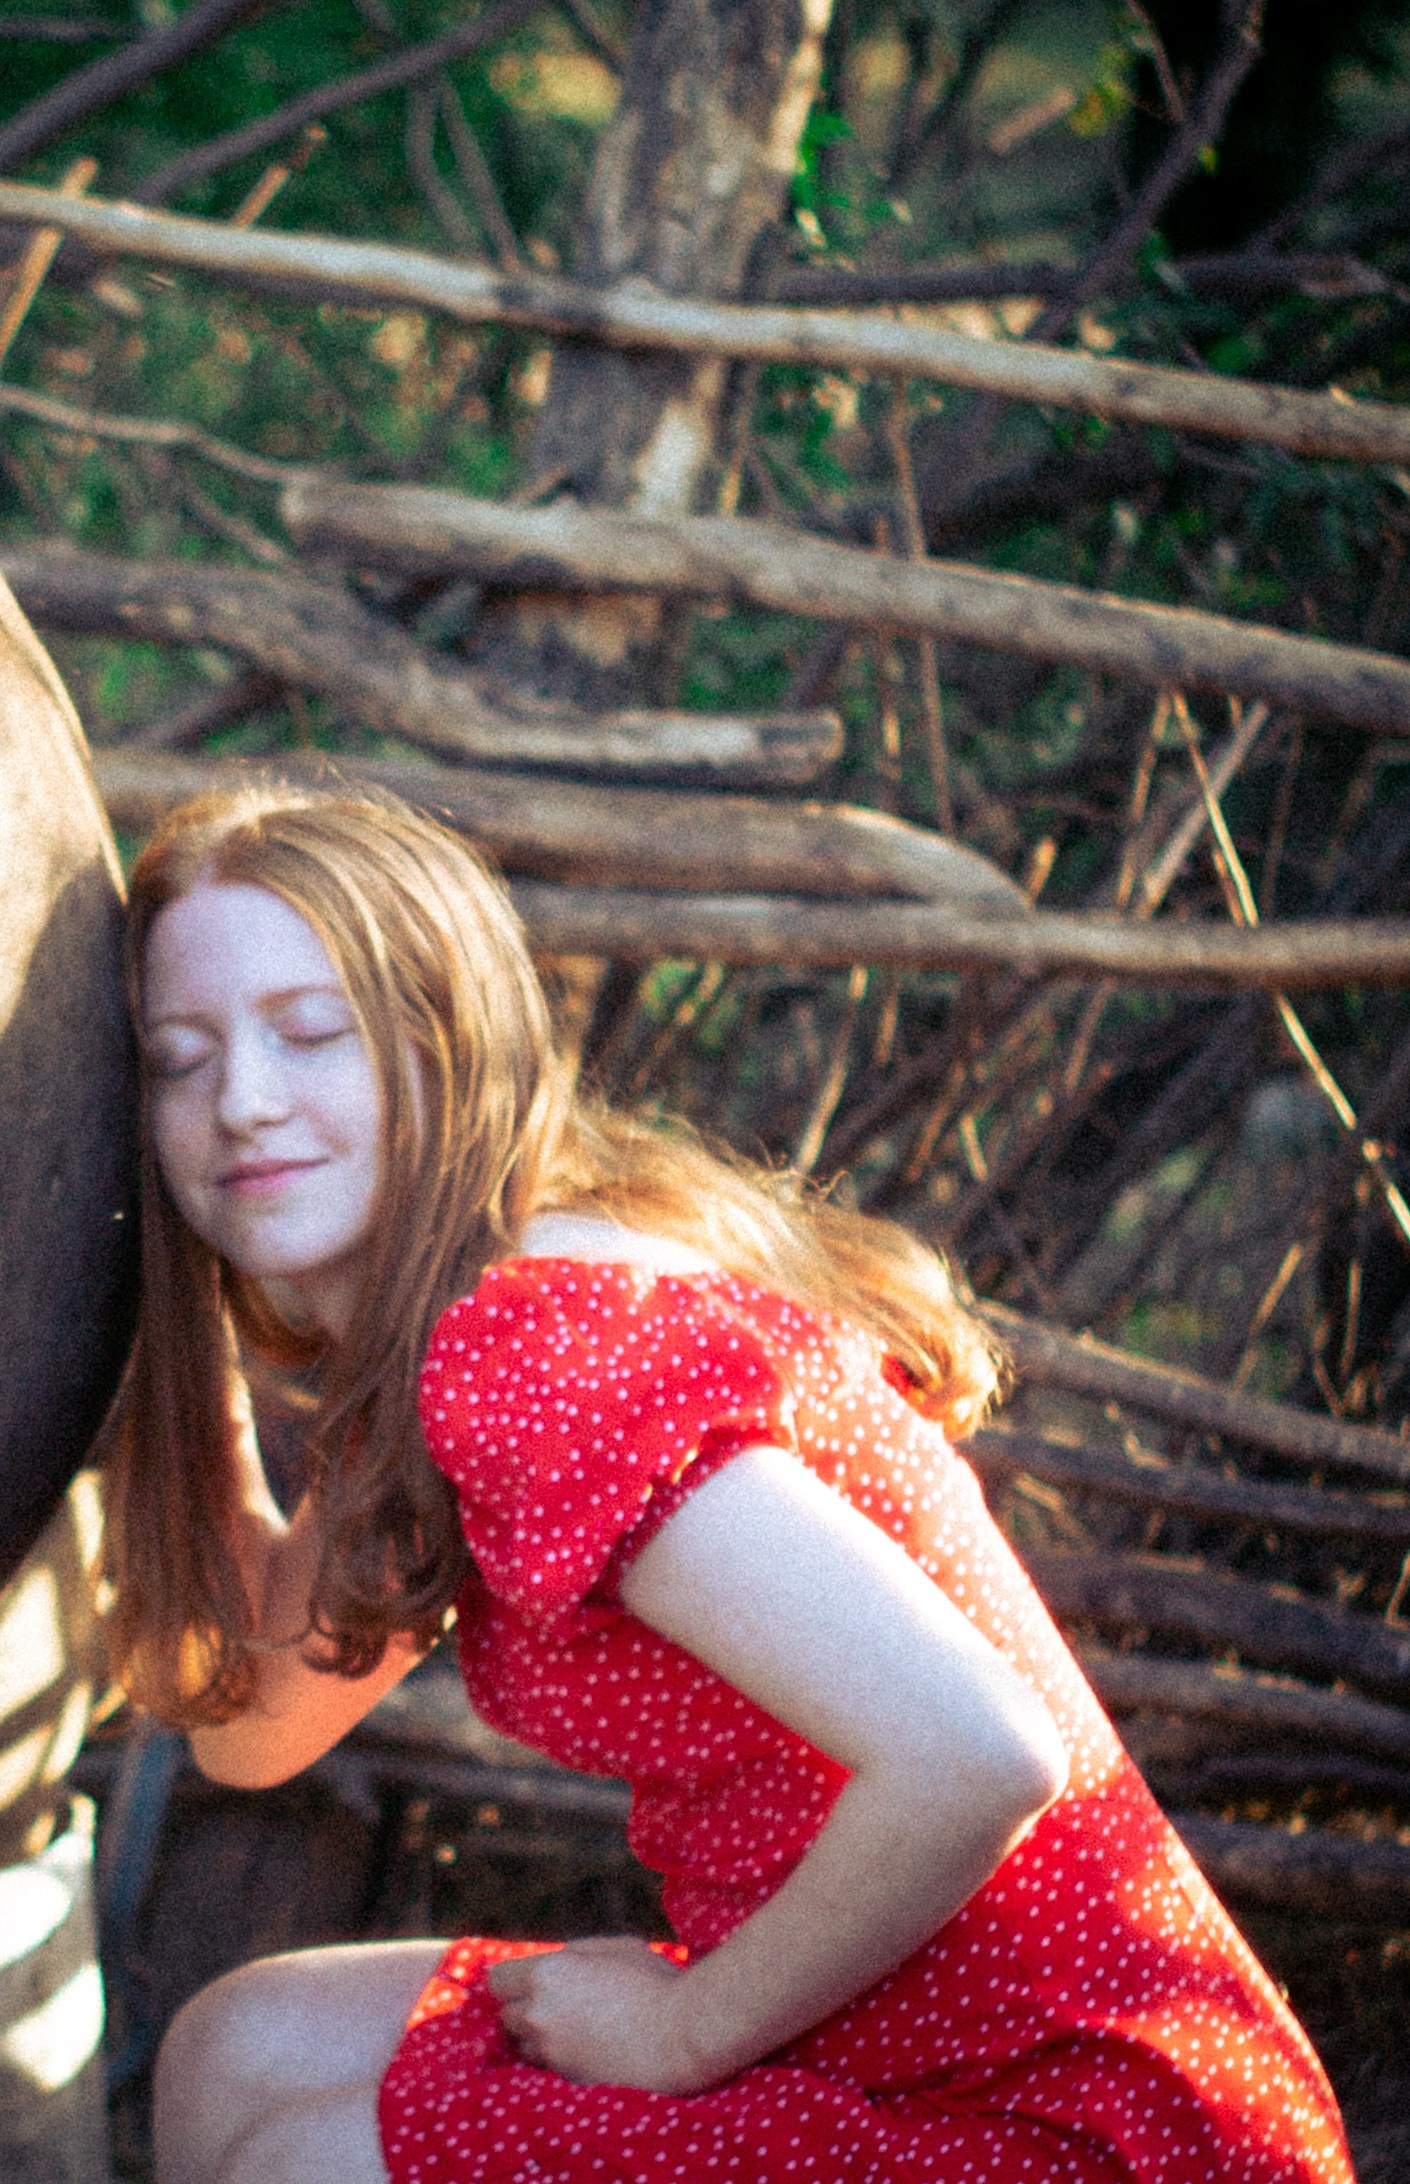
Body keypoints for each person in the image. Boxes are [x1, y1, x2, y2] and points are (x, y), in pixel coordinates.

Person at [102, 781, 1355, 2184]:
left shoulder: (535, 1349)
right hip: (874, 2039)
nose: (242, 1103)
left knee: (306, 2162)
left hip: (1068, 2123)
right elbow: (256, 1727)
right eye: (178, 1061)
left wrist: (683, 2034)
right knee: (233, 2049)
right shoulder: (454, 1318)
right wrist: (171, 1334)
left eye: (311, 1032)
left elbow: (978, 1753)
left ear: (449, 1048)